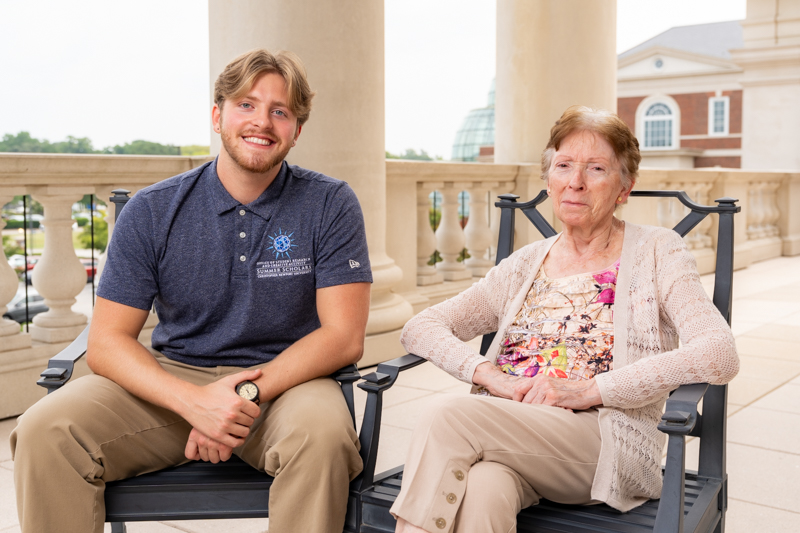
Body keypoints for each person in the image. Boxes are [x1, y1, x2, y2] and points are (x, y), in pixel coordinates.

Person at [10, 48, 372, 533]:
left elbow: (343, 336)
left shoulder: (330, 204)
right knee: (44, 430)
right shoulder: (152, 210)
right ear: (218, 115)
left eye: (280, 111)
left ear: (296, 131)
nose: (262, 121)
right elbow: (107, 343)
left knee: (324, 438)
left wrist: (242, 394)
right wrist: (192, 403)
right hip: (173, 381)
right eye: (246, 104)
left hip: (286, 385)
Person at [391, 105, 739, 533]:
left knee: (445, 416)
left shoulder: (658, 251)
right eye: (564, 166)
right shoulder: (524, 264)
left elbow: (718, 352)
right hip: (511, 430)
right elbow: (420, 327)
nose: (575, 182)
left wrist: (590, 390)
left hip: (602, 439)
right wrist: (491, 376)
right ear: (549, 179)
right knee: (483, 489)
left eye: (595, 168)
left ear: (624, 187)